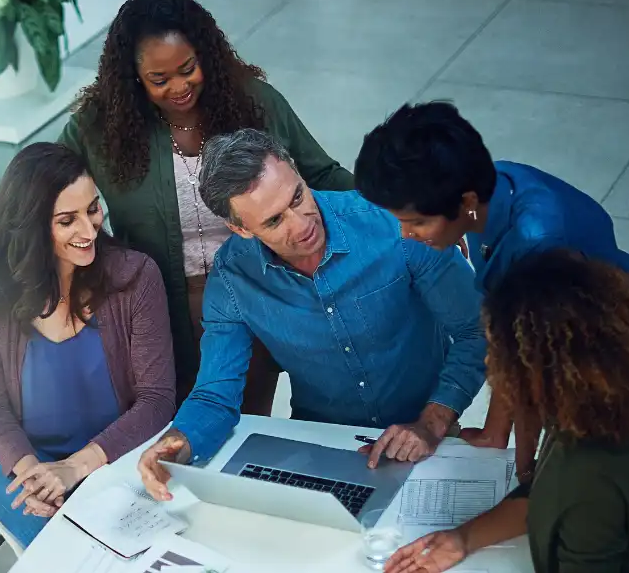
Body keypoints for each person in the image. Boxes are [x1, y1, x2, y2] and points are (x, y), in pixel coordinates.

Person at [0, 0, 354, 414]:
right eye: (159, 80)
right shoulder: (102, 125)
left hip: (257, 296)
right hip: (159, 309)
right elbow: (33, 190)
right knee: (173, 424)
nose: (179, 87)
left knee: (247, 419)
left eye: (188, 68)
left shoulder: (254, 101)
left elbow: (323, 176)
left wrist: (403, 211)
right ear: (133, 78)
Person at [137, 129, 486, 499]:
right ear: (240, 228)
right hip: (321, 449)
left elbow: (477, 330)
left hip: (424, 434)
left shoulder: (395, 223)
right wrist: (179, 441)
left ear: (296, 171)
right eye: (273, 222)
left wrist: (432, 423)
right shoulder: (232, 278)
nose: (301, 224)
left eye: (297, 197)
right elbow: (215, 393)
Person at [354, 101, 629, 482]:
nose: (407, 235)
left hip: (622, 370)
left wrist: (525, 475)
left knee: (609, 495)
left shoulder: (536, 247)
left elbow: (530, 372)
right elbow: (510, 340)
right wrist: (495, 436)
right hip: (566, 357)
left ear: (466, 203)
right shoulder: (488, 188)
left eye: (418, 222)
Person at [385, 249, 629, 573]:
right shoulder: (596, 412)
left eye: (500, 352)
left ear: (541, 368)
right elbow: (544, 494)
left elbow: (570, 501)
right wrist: (461, 539)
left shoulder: (593, 482)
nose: (490, 363)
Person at [0, 142, 176, 549]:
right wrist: (35, 476)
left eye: (93, 209)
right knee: (75, 552)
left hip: (115, 455)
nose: (90, 231)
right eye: (67, 220)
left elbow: (156, 400)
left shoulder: (136, 278)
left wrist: (75, 468)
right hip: (17, 462)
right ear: (32, 225)